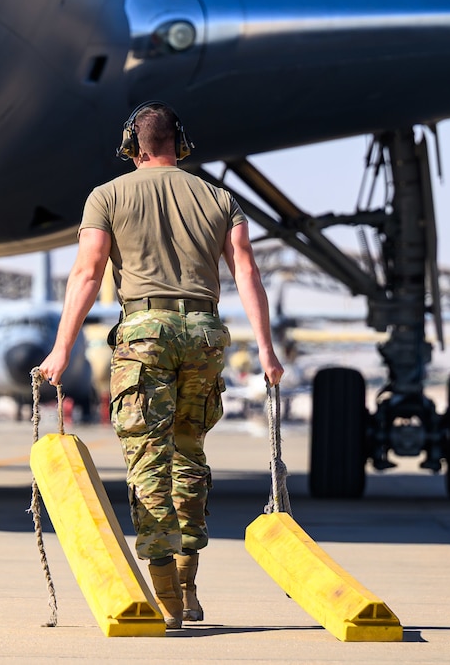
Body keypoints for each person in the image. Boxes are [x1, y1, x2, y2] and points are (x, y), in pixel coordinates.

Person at [39, 102, 283, 631]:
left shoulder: (106, 196)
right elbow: (246, 270)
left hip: (145, 335)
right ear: (181, 143)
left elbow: (87, 272)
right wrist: (266, 350)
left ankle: (167, 593)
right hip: (204, 335)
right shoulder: (220, 198)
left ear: (132, 145)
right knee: (189, 454)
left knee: (148, 462)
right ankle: (190, 585)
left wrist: (61, 348)